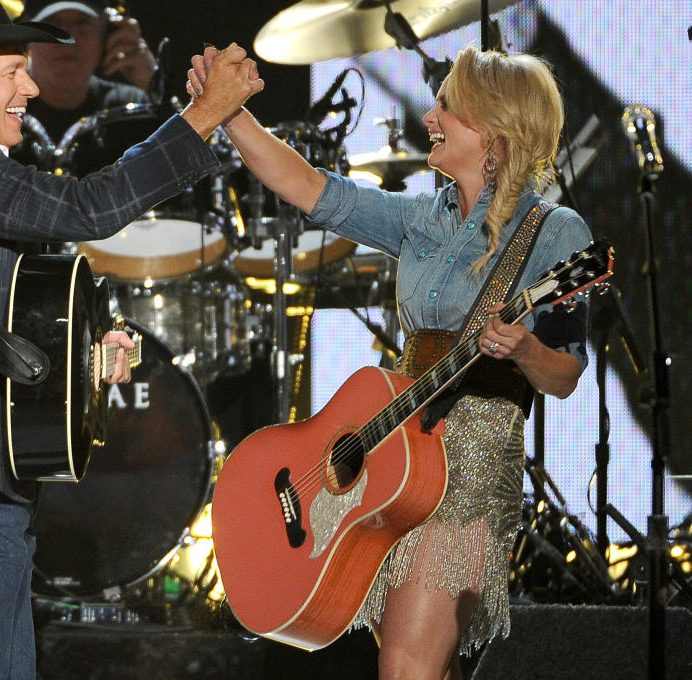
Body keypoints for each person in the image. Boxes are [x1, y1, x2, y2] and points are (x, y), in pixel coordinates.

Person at [0, 0, 262, 680]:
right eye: (12, 73)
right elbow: (87, 207)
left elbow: (1, 294)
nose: (32, 88)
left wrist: (80, 348)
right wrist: (203, 116)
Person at [189, 46, 592, 679]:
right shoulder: (419, 218)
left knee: (407, 666)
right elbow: (307, 187)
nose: (429, 117)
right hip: (392, 458)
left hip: (467, 466)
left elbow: (565, 374)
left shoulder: (555, 232)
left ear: (493, 131)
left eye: (446, 107)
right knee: (421, 665)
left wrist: (526, 348)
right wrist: (229, 113)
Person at [9, 0, 159, 151]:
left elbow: (198, 171)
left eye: (82, 23)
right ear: (25, 36)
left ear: (106, 35)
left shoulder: (133, 107)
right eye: (52, 23)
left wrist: (156, 86)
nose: (68, 38)